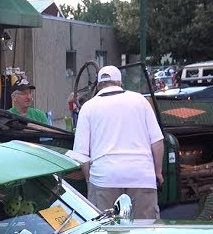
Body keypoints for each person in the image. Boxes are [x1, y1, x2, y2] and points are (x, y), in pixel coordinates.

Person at [66, 66, 164, 219]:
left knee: (106, 233)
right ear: (119, 82)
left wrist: (89, 181)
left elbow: (81, 154)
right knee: (145, 231)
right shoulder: (140, 101)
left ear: (98, 85)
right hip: (141, 175)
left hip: (104, 178)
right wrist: (157, 172)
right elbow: (157, 141)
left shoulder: (88, 107)